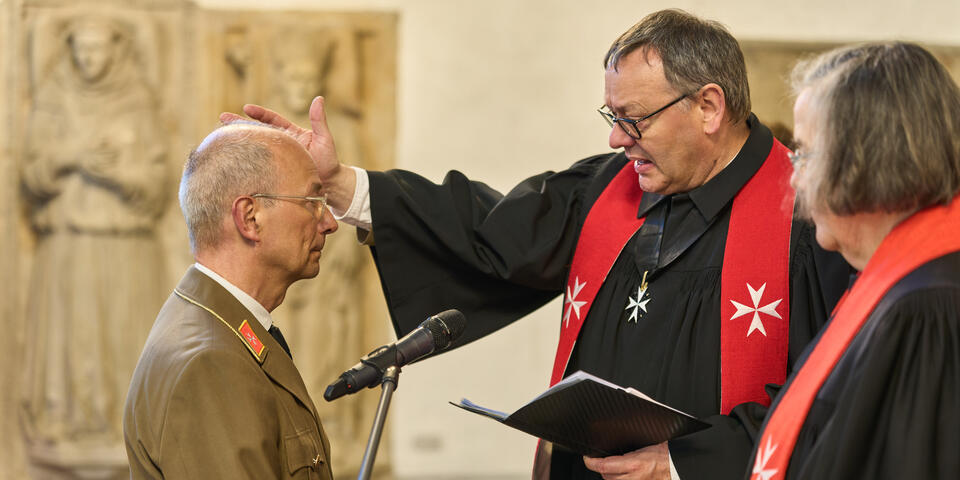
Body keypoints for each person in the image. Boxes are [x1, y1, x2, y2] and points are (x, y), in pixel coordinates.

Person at [230, 9, 851, 480]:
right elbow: (494, 230)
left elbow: (836, 398)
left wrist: (684, 463)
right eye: (613, 119)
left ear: (709, 106)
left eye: (633, 119)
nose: (617, 141)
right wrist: (341, 186)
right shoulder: (609, 188)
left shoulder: (807, 221)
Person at [747, 42, 960, 480]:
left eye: (804, 154)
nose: (794, 175)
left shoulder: (926, 307)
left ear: (866, 161)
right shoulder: (886, 281)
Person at [123, 122, 339, 479]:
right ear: (250, 218)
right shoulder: (211, 362)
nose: (329, 222)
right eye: (313, 202)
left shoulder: (221, 328)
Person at [20, 15, 169, 474]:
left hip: (125, 245)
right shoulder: (54, 98)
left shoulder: (138, 101)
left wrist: (119, 176)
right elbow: (32, 174)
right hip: (71, 245)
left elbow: (161, 182)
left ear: (117, 50)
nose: (89, 59)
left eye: (98, 49)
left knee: (124, 338)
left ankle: (121, 427)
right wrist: (72, 156)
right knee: (75, 338)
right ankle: (69, 421)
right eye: (81, 50)